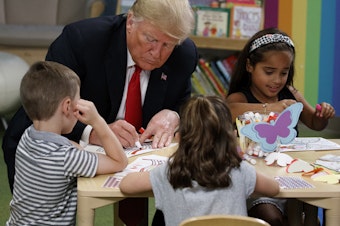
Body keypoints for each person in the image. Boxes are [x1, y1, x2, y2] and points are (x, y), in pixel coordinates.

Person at [2, 0, 198, 225]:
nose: (157, 53)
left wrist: (173, 115)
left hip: (134, 148)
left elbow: (185, 103)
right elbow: (48, 101)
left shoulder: (184, 55)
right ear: (131, 22)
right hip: (71, 130)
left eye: (168, 45)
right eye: (151, 39)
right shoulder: (82, 39)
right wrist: (91, 131)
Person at [226, 27, 336, 226]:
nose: (277, 80)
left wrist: (323, 114)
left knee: (311, 220)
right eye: (269, 72)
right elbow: (228, 109)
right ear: (250, 66)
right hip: (257, 182)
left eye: (284, 73)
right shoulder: (239, 97)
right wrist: (270, 108)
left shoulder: (291, 94)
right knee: (271, 218)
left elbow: (315, 123)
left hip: (293, 177)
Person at [119, 95, 280, 226]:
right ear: (231, 135)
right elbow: (273, 189)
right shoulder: (240, 170)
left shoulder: (169, 172)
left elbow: (126, 185)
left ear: (180, 137)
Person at [6, 61, 128, 226]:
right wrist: (98, 121)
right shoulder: (66, 157)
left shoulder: (27, 136)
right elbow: (119, 161)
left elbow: (69, 146)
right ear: (67, 106)